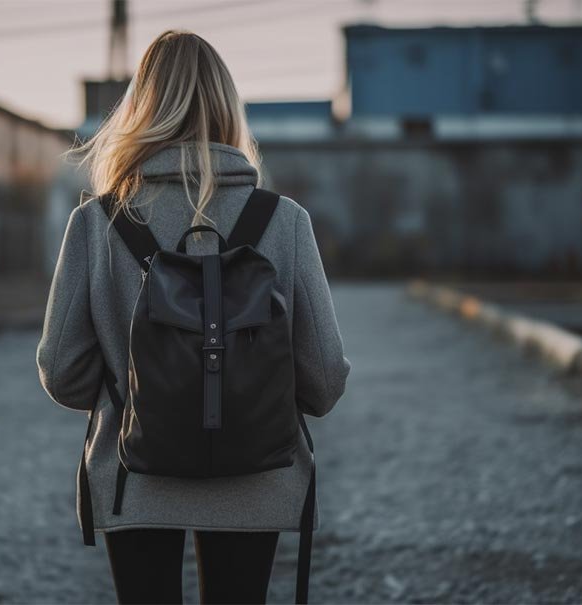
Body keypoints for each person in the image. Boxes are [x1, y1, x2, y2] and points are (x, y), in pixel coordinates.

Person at [36, 29, 351, 604]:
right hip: (255, 479)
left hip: (136, 478)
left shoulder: (96, 223)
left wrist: (135, 393)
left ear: (140, 109)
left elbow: (61, 370)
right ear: (229, 108)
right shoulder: (285, 222)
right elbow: (325, 379)